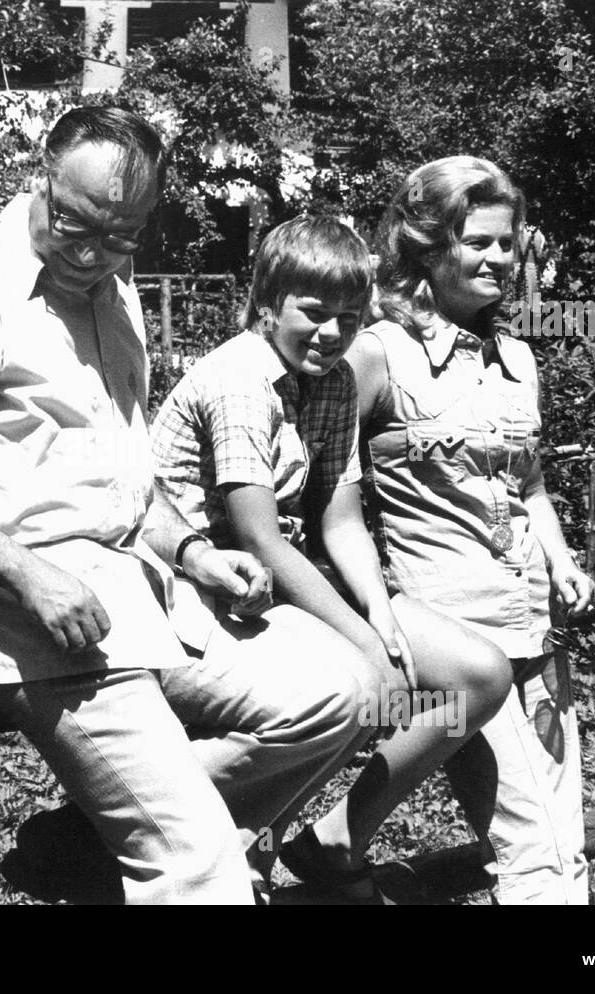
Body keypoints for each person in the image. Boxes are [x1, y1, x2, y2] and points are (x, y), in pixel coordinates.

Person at [0, 106, 377, 904]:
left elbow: (125, 486)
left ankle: (92, 847)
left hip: (141, 597)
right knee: (201, 870)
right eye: (74, 222)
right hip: (24, 624)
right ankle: (178, 860)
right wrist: (28, 574)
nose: (91, 252)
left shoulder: (115, 296)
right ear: (42, 171)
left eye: (120, 235)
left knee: (345, 691)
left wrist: (194, 553)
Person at [151, 215, 511, 902]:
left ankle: (339, 834)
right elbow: (258, 535)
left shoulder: (335, 380)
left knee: (474, 677)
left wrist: (378, 614)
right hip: (199, 585)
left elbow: (340, 514)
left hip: (278, 581)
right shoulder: (239, 379)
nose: (331, 333)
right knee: (361, 681)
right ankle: (214, 838)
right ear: (266, 304)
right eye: (313, 314)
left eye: (349, 318)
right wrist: (363, 645)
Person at [344, 157, 595, 903]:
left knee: (565, 833)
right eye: (476, 242)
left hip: (536, 623)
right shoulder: (376, 355)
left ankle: (332, 840)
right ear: (427, 247)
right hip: (458, 636)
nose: (497, 259)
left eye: (507, 243)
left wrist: (560, 557)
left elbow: (531, 481)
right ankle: (334, 838)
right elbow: (318, 485)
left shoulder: (516, 357)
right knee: (529, 847)